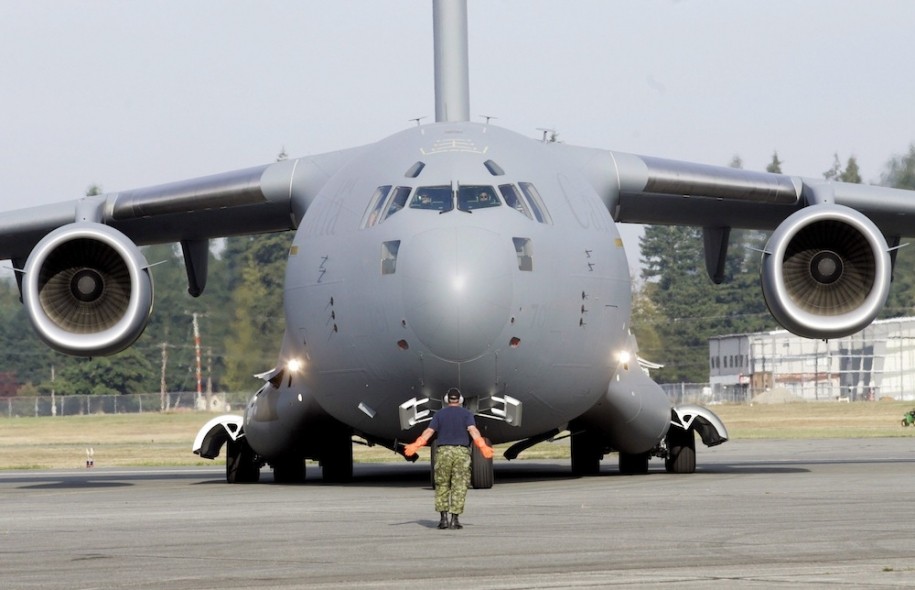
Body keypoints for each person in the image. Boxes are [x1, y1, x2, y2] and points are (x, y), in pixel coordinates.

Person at [404, 388, 494, 530]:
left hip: (443, 452)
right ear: (460, 400)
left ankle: (443, 520)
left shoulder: (439, 414)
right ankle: (455, 520)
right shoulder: (467, 414)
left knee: (442, 485)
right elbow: (472, 430)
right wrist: (482, 445)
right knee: (459, 485)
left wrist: (417, 444)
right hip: (461, 452)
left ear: (447, 400)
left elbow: (429, 432)